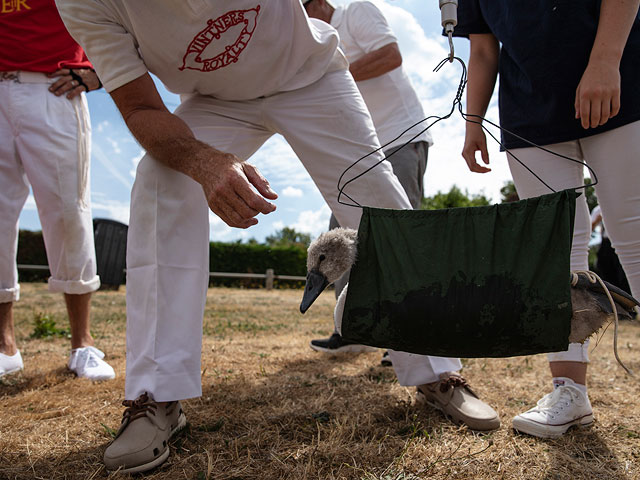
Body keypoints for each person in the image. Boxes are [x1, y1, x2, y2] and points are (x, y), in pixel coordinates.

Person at [56, 0, 499, 472]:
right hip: (214, 99)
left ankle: (437, 372)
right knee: (160, 181)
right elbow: (141, 106)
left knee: (380, 206)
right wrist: (203, 161)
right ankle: (157, 393)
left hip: (309, 77)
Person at [457, 0, 640, 438]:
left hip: (618, 82)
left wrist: (603, 62)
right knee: (556, 252)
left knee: (633, 233)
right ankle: (569, 393)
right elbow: (484, 49)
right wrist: (472, 121)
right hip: (528, 111)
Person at [305, 1, 432, 365]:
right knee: (338, 236)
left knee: (399, 234)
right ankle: (353, 329)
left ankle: (403, 337)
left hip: (401, 136)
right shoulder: (315, 46)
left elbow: (390, 55)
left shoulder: (356, 12)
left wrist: (331, 74)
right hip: (359, 150)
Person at [0, 0, 115, 382]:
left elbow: (132, 16)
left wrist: (101, 71)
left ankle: (82, 344)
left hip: (51, 88)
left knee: (68, 213)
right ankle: (4, 346)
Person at [590, 204, 633, 296]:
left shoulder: (621, 206)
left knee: (623, 276)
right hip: (606, 245)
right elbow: (590, 228)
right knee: (607, 275)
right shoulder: (598, 210)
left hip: (621, 240)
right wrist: (598, 219)